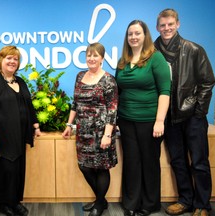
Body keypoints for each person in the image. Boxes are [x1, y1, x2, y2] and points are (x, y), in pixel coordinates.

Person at [154, 9, 215, 216]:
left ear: (178, 24)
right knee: (178, 161)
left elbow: (208, 82)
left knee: (199, 161)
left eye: (170, 24)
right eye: (163, 25)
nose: (167, 28)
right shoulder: (152, 51)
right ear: (157, 27)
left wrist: (199, 112)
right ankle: (186, 200)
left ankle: (203, 204)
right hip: (169, 118)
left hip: (192, 117)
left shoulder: (194, 49)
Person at [115, 20, 171, 216]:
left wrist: (159, 121)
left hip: (149, 120)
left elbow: (165, 91)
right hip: (126, 120)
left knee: (149, 161)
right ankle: (131, 203)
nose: (133, 37)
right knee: (131, 162)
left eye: (137, 33)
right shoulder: (122, 61)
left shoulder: (156, 59)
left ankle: (149, 204)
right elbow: (118, 91)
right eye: (130, 34)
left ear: (145, 35)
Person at [0, 45, 41, 216]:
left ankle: (15, 201)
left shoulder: (20, 82)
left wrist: (35, 125)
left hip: (19, 135)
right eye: (9, 58)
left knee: (18, 169)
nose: (13, 61)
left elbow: (28, 106)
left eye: (16, 59)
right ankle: (5, 204)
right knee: (7, 170)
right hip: (2, 136)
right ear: (0, 60)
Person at [62, 42, 118, 216]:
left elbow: (113, 109)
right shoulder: (80, 76)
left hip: (101, 131)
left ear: (102, 58)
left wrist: (107, 135)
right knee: (85, 167)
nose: (91, 58)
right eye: (89, 55)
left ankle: (100, 203)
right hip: (83, 131)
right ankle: (101, 200)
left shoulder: (108, 79)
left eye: (95, 55)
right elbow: (75, 103)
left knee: (101, 167)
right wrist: (69, 125)